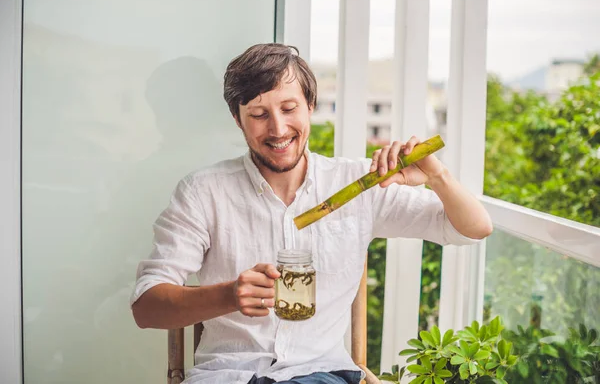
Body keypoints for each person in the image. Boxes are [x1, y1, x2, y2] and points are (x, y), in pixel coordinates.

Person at [130, 43, 493, 384]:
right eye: (258, 114)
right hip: (228, 374)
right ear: (238, 120)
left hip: (321, 372)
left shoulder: (361, 185)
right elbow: (146, 308)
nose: (278, 129)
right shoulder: (203, 191)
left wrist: (437, 176)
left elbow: (473, 228)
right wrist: (229, 295)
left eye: (289, 109)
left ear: (310, 105)